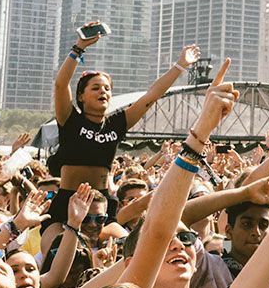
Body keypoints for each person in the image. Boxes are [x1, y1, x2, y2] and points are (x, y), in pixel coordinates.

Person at [47, 21, 199, 247]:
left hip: (101, 205)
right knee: (55, 251)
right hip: (67, 200)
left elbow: (152, 95)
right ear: (81, 96)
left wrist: (180, 65)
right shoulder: (70, 119)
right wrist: (79, 47)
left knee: (126, 246)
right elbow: (61, 85)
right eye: (96, 88)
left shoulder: (117, 123)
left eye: (107, 88)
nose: (103, 92)